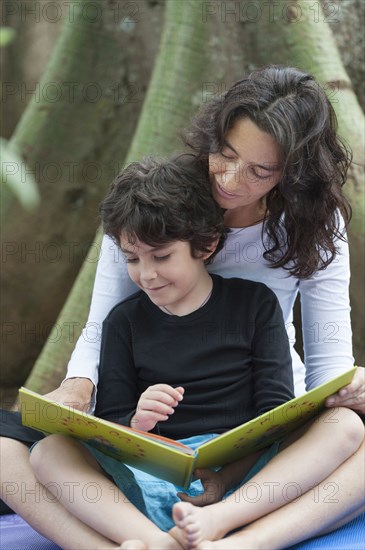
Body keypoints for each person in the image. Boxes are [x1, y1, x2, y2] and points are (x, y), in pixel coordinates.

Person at [1, 65, 364, 548]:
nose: (232, 180)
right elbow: (105, 319)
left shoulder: (315, 225)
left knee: (347, 432)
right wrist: (77, 386)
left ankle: (243, 538)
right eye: (226, 155)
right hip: (153, 425)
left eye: (259, 170)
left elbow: (327, 360)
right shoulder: (152, 202)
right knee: (12, 450)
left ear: (293, 174)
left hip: (262, 412)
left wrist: (343, 394)